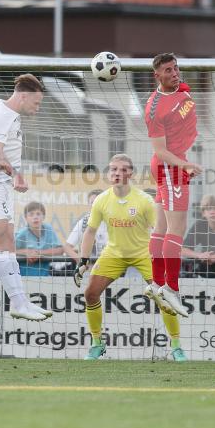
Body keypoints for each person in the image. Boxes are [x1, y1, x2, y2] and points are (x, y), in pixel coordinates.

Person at [76, 154, 185, 361]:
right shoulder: (101, 200)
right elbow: (90, 231)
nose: (118, 173)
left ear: (131, 173)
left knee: (164, 296)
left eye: (123, 169)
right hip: (114, 253)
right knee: (90, 293)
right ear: (109, 173)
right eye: (114, 169)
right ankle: (97, 344)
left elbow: (160, 230)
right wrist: (83, 261)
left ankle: (176, 346)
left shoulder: (144, 200)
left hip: (144, 254)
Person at [0, 74, 52, 320]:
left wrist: (14, 175)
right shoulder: (2, 114)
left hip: (1, 185)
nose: (37, 109)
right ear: (23, 96)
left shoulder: (8, 113)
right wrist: (15, 174)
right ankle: (18, 303)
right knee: (2, 243)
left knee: (9, 244)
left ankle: (21, 302)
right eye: (36, 104)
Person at [144, 52, 202, 318]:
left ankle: (156, 284)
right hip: (170, 168)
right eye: (168, 70)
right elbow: (160, 150)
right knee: (176, 230)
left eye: (176, 68)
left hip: (172, 167)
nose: (174, 73)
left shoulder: (181, 89)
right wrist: (184, 166)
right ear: (157, 75)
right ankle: (171, 288)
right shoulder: (154, 109)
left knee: (161, 228)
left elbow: (184, 96)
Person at [15, 201, 64, 276]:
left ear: (43, 216)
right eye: (31, 214)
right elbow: (10, 250)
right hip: (24, 274)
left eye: (38, 214)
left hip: (45, 275)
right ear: (26, 218)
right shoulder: (21, 233)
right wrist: (27, 252)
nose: (35, 217)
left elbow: (60, 250)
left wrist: (39, 253)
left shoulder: (49, 229)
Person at [63, 189, 107, 261]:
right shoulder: (84, 222)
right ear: (89, 204)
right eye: (92, 203)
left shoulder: (113, 221)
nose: (94, 205)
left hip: (110, 267)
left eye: (98, 202)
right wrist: (80, 260)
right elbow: (67, 247)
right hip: (90, 269)